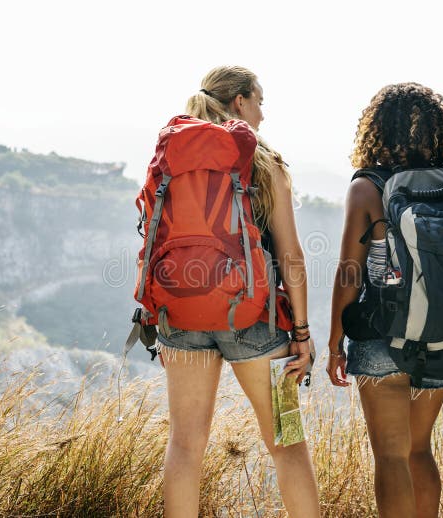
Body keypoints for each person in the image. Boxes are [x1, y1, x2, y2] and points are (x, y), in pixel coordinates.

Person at [155, 66, 320, 518]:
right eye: (260, 102)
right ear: (242, 102)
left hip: (180, 314)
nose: (263, 114)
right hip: (255, 320)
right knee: (287, 444)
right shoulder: (263, 163)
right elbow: (292, 258)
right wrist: (302, 334)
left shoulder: (174, 155)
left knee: (185, 445)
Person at [326, 82, 443, 518]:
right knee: (419, 450)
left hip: (382, 336)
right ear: (438, 131)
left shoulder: (368, 187)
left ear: (375, 130)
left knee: (391, 457)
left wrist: (336, 341)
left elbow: (350, 272)